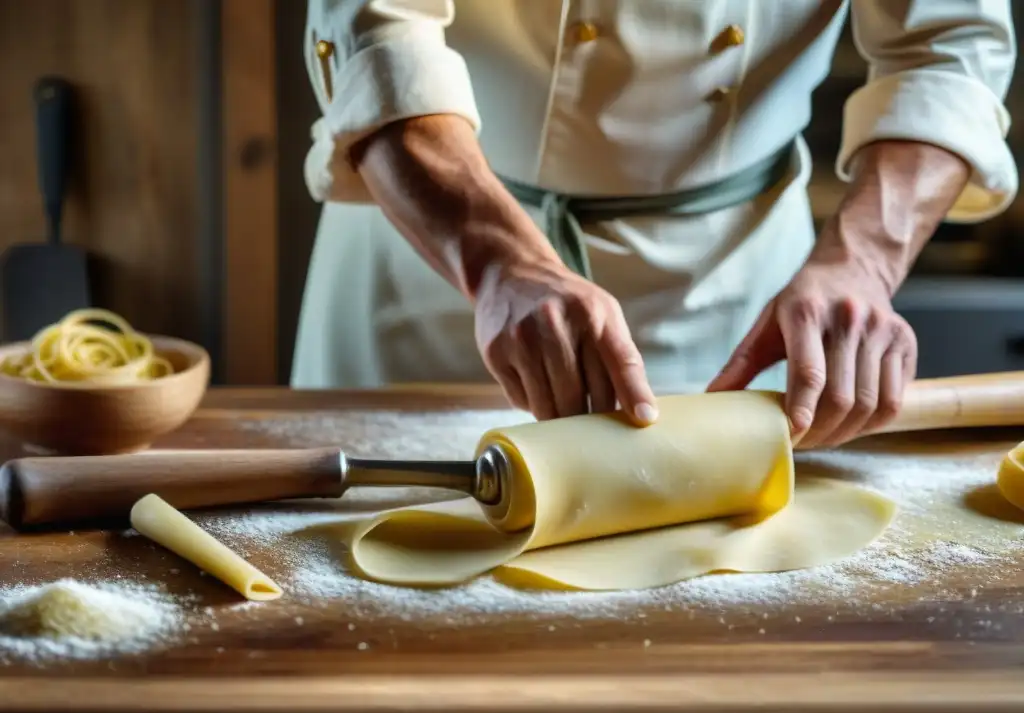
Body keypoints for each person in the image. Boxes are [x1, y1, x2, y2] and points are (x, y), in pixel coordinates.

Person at [293, 0, 1017, 448]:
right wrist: (497, 262)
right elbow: (378, 32)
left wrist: (862, 262)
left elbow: (948, 47)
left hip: (744, 297)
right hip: (438, 264)